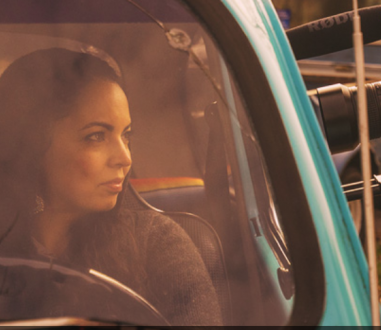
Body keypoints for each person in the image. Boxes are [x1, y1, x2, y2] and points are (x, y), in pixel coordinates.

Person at [0, 48, 221, 325]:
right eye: (96, 136)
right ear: (31, 144)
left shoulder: (157, 244)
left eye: (126, 135)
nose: (125, 158)